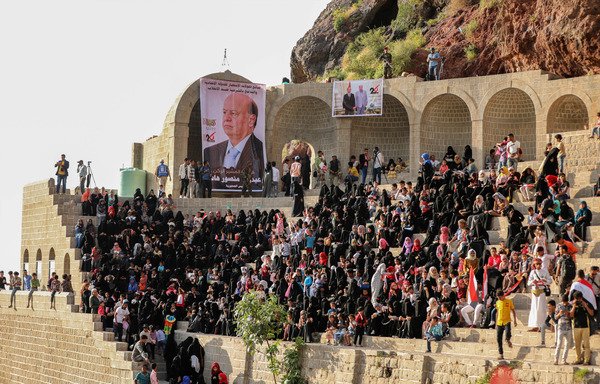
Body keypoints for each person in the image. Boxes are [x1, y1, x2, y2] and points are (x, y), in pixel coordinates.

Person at [203, 93, 265, 187]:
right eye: (224, 112)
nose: (226, 118)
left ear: (251, 120)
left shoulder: (260, 150)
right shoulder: (210, 152)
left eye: (233, 113)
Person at [527, 259, 552, 332]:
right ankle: (535, 325)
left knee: (541, 309)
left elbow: (550, 281)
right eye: (536, 264)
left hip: (541, 292)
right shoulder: (532, 272)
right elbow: (528, 283)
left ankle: (542, 326)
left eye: (539, 264)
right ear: (534, 265)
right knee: (534, 309)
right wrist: (533, 282)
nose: (538, 265)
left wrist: (545, 281)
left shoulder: (545, 271)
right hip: (535, 292)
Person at [571, 291, 594, 365]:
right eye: (577, 298)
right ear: (574, 298)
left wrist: (586, 306)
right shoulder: (573, 304)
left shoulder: (586, 303)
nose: (578, 300)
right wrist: (574, 306)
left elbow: (592, 313)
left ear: (582, 297)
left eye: (580, 298)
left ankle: (586, 360)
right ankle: (578, 359)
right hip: (576, 327)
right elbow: (571, 315)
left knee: (586, 344)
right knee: (577, 345)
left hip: (585, 327)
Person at [495, 289, 518, 360]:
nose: (499, 299)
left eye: (500, 297)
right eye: (498, 298)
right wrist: (496, 323)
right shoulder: (498, 302)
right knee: (498, 339)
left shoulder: (509, 301)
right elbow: (497, 312)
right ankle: (501, 354)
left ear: (503, 296)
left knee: (508, 333)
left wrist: (514, 321)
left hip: (507, 321)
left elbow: (513, 311)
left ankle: (508, 339)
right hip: (499, 322)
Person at [554, 294, 573, 364]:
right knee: (559, 344)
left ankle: (563, 360)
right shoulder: (559, 305)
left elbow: (572, 317)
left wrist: (568, 313)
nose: (565, 304)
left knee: (567, 345)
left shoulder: (570, 306)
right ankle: (556, 360)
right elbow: (555, 317)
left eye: (566, 302)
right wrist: (559, 313)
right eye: (564, 302)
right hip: (561, 327)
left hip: (568, 327)